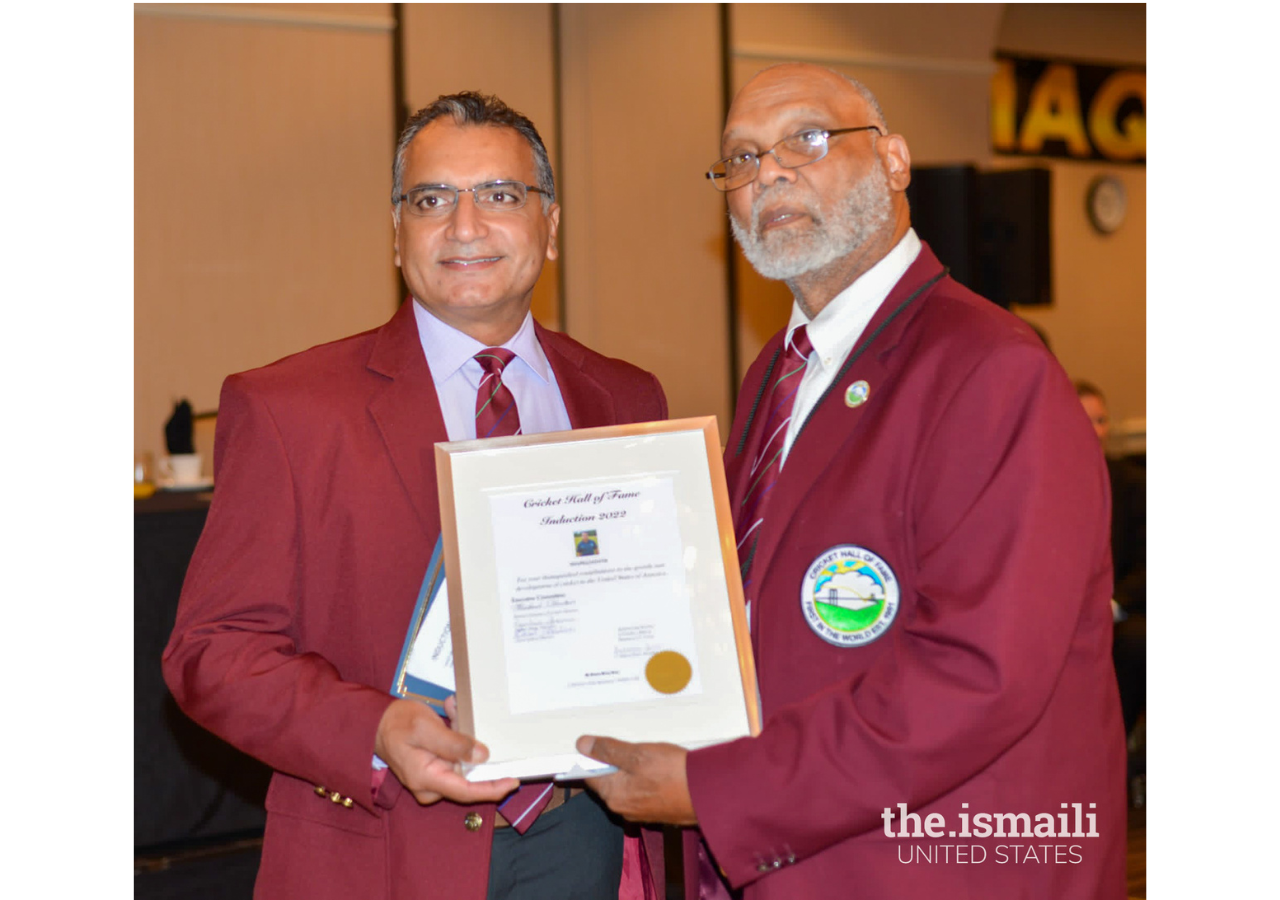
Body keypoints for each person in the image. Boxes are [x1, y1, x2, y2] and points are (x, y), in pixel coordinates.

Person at [576, 63, 1127, 898]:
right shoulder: (780, 371)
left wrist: (721, 789)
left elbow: (978, 676)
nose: (772, 173)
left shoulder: (991, 369)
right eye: (743, 159)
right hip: (798, 857)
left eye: (808, 138)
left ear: (896, 161)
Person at [163, 92, 668, 900]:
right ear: (397, 233)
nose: (465, 227)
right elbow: (211, 652)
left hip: (589, 836)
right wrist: (373, 729)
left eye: (500, 196)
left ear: (552, 224)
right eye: (432, 200)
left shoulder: (627, 397)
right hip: (380, 850)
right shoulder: (290, 408)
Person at [1075, 380, 1146, 744]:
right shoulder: (1043, 482)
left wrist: (1113, 604)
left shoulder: (1133, 483)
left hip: (1120, 612)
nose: (1095, 430)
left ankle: (1119, 752)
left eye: (1101, 420)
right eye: (1085, 419)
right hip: (1061, 616)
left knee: (1136, 643)